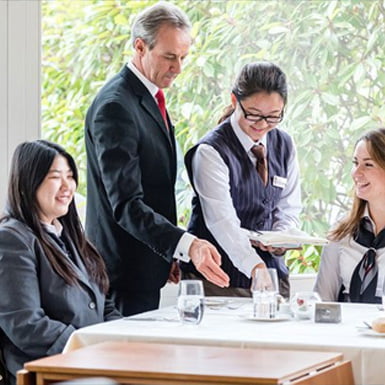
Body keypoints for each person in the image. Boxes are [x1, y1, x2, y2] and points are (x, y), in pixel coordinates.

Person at [85, 2, 229, 316]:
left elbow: (154, 189)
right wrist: (186, 244)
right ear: (140, 46)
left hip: (145, 270)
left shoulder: (146, 99)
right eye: (169, 57)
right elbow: (126, 205)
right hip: (120, 278)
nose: (178, 68)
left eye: (183, 58)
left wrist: (168, 254)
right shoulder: (115, 107)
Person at [0, 140, 121, 385]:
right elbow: (26, 325)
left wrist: (122, 339)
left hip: (89, 362)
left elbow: (103, 305)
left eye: (70, 176)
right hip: (48, 371)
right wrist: (91, 347)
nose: (68, 186)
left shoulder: (69, 235)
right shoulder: (12, 239)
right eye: (55, 177)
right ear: (28, 182)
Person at [180, 61, 302, 298]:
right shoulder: (211, 151)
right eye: (254, 115)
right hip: (218, 279)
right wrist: (254, 266)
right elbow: (222, 222)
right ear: (235, 101)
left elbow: (289, 206)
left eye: (273, 117)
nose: (263, 125)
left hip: (271, 275)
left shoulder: (284, 144)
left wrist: (280, 236)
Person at [314, 128, 385, 303]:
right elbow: (322, 300)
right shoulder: (342, 230)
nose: (356, 173)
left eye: (368, 164)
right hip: (345, 328)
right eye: (355, 163)